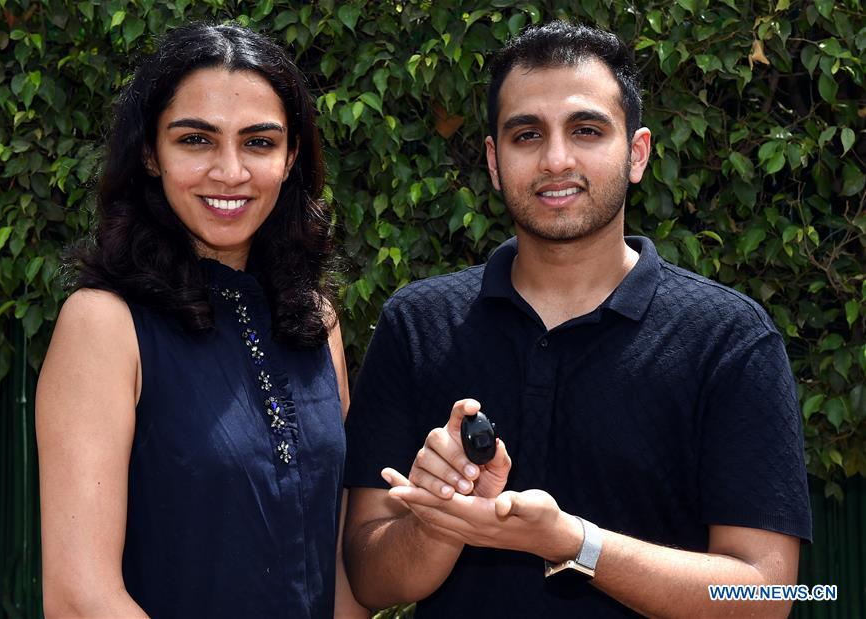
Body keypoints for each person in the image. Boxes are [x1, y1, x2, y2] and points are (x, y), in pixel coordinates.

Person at [342, 21, 812, 618]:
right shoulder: (418, 324)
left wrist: (575, 544)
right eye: (526, 135)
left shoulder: (729, 338)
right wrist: (438, 521)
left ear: (637, 153)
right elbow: (367, 580)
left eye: (586, 130)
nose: (556, 160)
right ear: (493, 161)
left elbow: (768, 594)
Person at [36, 23, 367, 618]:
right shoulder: (103, 324)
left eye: (259, 142)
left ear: (291, 156)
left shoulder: (316, 320)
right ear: (150, 153)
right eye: (196, 140)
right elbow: (79, 598)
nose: (230, 171)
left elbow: (336, 569)